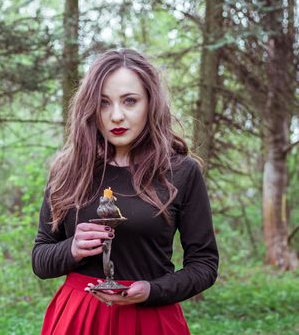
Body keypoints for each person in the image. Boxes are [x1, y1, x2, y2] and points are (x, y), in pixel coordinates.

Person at [31, 48, 219, 334]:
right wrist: (72, 248)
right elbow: (40, 259)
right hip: (80, 319)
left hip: (150, 318)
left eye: (130, 101)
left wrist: (152, 290)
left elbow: (204, 265)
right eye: (104, 103)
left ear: (150, 103)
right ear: (90, 108)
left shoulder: (180, 171)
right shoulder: (68, 170)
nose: (116, 115)